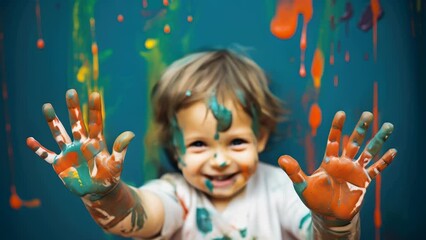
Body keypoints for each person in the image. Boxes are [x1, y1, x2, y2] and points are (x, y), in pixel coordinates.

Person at [26, 50, 396, 239]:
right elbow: (143, 217)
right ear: (175, 148)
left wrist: (333, 220)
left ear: (261, 137)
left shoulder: (283, 190)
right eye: (200, 145)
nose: (220, 160)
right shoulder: (175, 194)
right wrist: (106, 197)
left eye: (236, 142)